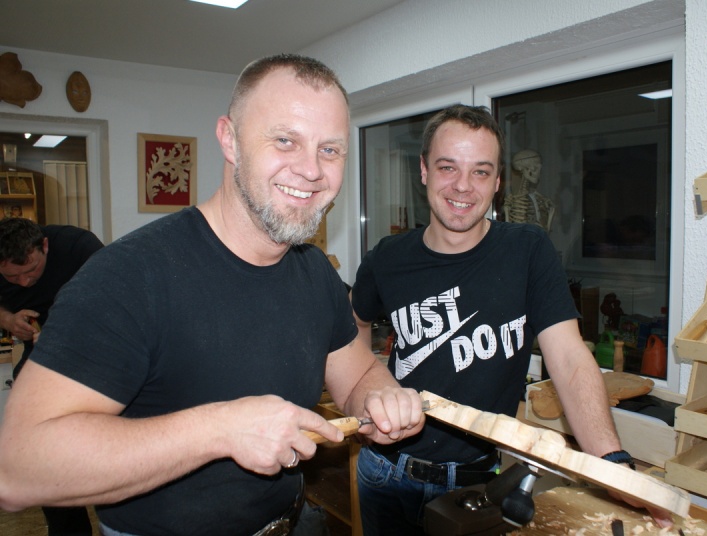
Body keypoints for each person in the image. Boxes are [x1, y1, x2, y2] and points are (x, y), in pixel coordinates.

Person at [0, 54, 425, 536]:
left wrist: (381, 398)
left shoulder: (313, 272)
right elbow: (18, 468)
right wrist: (221, 429)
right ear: (229, 139)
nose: (311, 170)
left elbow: (358, 376)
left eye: (330, 149)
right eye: (285, 140)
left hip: (293, 522)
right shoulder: (128, 275)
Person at [350, 104, 672, 535]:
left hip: (478, 483)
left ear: (498, 182)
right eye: (448, 167)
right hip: (388, 475)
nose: (463, 186)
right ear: (424, 170)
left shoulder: (527, 250)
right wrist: (368, 388)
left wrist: (611, 462)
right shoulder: (387, 258)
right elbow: (353, 326)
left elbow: (569, 359)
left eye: (481, 172)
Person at [0, 217, 103, 536]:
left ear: (44, 246)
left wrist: (66, 330)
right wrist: (8, 319)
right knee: (43, 449)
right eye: (11, 277)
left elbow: (114, 297)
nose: (24, 282)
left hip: (94, 347)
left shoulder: (78, 247)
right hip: (41, 353)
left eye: (31, 270)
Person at [503, 149, 555, 232]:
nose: (538, 174)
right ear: (523, 170)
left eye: (539, 169)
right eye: (534, 169)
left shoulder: (542, 200)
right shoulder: (511, 200)